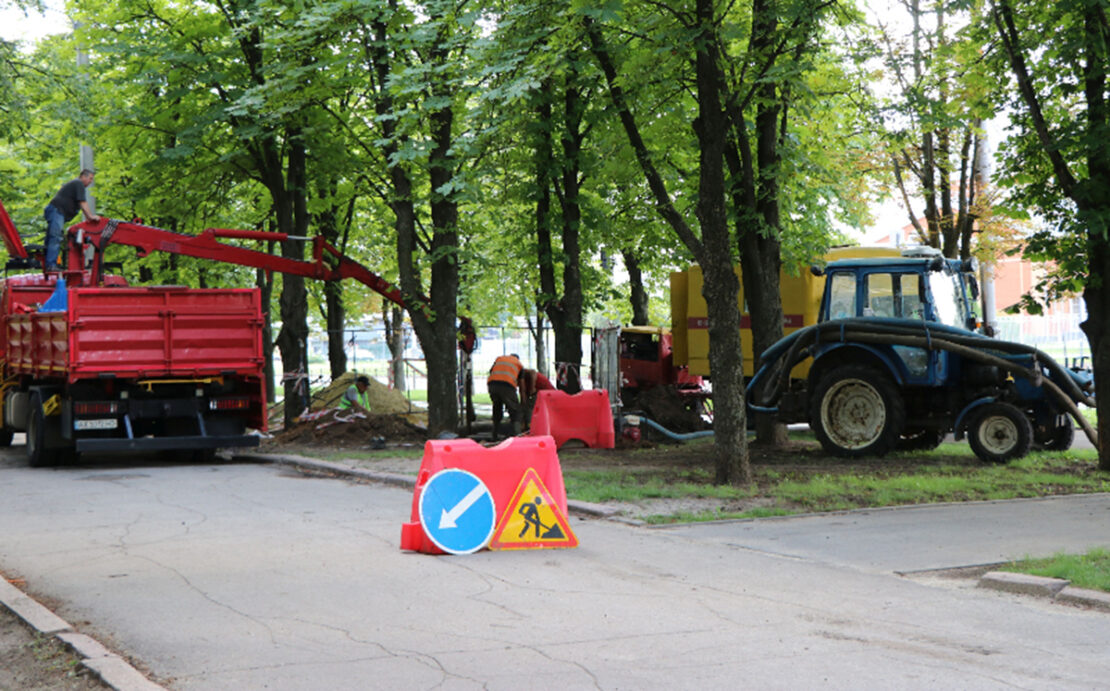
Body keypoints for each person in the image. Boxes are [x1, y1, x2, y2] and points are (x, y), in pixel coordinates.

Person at [43, 170, 100, 268]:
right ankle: (51, 265)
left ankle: (48, 262)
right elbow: (82, 202)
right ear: (83, 176)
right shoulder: (78, 184)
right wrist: (90, 217)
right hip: (57, 211)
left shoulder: (75, 185)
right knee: (56, 237)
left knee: (52, 238)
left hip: (56, 212)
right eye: (90, 178)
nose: (91, 181)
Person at [487, 353, 523, 441]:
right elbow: (522, 385)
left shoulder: (499, 358)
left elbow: (491, 371)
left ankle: (494, 434)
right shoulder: (519, 364)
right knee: (515, 411)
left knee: (497, 407)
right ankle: (517, 435)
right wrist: (523, 400)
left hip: (492, 384)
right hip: (507, 386)